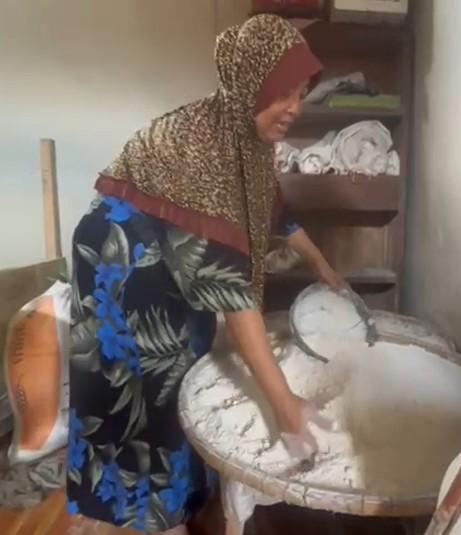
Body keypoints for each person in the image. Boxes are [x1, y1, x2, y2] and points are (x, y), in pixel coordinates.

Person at [67, 15, 342, 534]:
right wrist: (285, 405)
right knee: (143, 377)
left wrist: (322, 265)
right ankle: (139, 513)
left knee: (187, 355)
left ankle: (182, 497)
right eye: (284, 92)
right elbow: (232, 293)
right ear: (250, 83)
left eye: (302, 94)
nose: (295, 107)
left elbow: (273, 208)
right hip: (119, 259)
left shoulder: (247, 142)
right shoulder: (204, 147)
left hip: (164, 252)